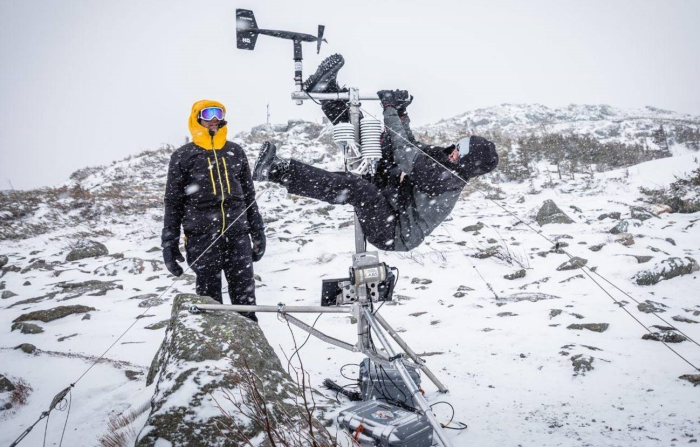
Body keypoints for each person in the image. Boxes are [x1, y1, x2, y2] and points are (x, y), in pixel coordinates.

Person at [252, 55, 498, 252]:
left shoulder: (446, 178)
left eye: (463, 148)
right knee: (382, 144)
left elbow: (405, 156)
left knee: (359, 188)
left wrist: (389, 109)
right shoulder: (445, 163)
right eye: (461, 141)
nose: (456, 146)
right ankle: (327, 94)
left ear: (467, 162)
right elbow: (407, 143)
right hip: (395, 203)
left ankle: (275, 171)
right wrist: (401, 113)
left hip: (394, 234)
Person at [162, 100, 265, 322]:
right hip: (201, 238)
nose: (214, 118)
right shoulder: (183, 156)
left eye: (219, 113)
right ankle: (215, 353)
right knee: (210, 302)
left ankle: (250, 350)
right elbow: (173, 203)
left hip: (238, 236)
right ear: (197, 118)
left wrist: (258, 232)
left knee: (245, 300)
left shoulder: (235, 152)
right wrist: (169, 245)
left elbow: (249, 197)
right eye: (208, 113)